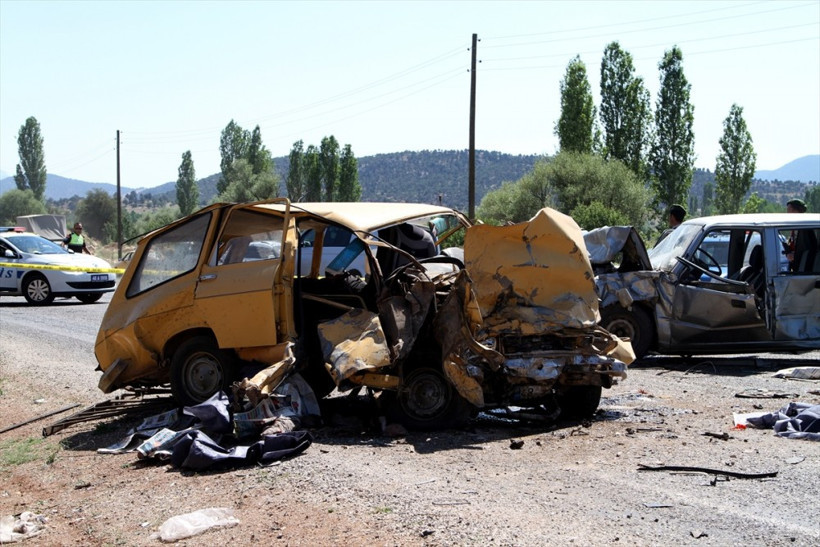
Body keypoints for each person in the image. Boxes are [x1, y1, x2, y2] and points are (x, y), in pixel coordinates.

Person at [785, 198, 806, 271]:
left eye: (789, 210)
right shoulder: (794, 227)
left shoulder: (805, 228)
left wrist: (795, 255)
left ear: (797, 211)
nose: (787, 213)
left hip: (804, 266)